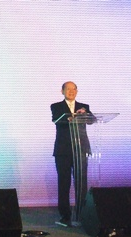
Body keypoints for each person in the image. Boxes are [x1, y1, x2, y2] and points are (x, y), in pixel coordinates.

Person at [51, 81, 91, 227]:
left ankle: (81, 214)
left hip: (80, 150)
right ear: (62, 91)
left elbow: (92, 120)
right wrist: (71, 116)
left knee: (81, 183)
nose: (71, 91)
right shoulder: (56, 106)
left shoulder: (84, 107)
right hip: (63, 151)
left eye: (74, 89)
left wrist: (85, 114)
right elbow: (57, 119)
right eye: (68, 89)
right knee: (64, 183)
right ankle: (65, 216)